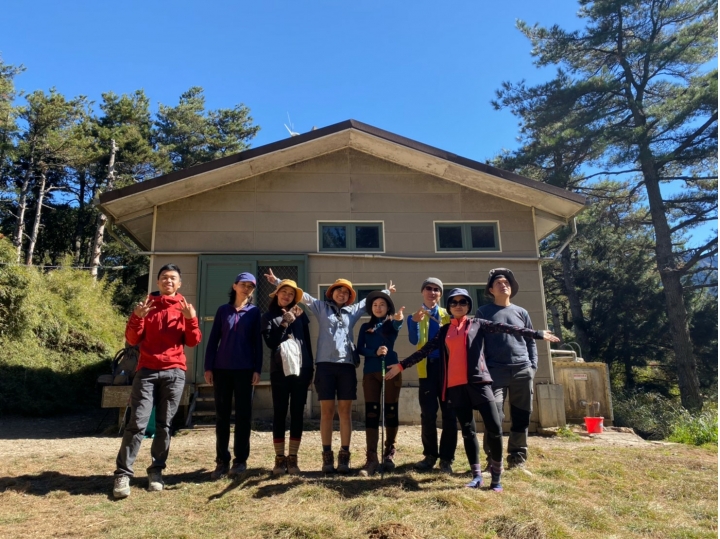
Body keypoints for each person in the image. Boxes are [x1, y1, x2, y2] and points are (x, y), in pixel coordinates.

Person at [387, 288, 559, 491]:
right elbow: (425, 350)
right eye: (454, 303)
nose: (458, 305)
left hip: (480, 383)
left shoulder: (479, 323)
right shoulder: (444, 330)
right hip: (456, 387)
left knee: (494, 428)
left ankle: (496, 475)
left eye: (463, 302)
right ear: (449, 307)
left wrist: (537, 334)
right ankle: (477, 475)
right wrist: (400, 366)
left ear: (468, 306)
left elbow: (507, 328)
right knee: (468, 432)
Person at [264, 268, 395, 473]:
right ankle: (327, 457)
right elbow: (303, 296)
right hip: (324, 366)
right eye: (338, 290)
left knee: (344, 411)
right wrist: (277, 281)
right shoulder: (321, 308)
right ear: (331, 292)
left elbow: (369, 301)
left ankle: (344, 456)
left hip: (346, 367)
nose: (341, 294)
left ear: (349, 296)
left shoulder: (353, 311)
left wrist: (386, 292)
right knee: (327, 411)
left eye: (346, 292)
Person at [113, 264, 202, 499]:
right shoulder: (147, 306)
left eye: (173, 278)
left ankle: (156, 471)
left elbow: (193, 341)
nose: (168, 281)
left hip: (174, 372)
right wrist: (137, 317)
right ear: (158, 282)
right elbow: (132, 339)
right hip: (147, 372)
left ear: (179, 283)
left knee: (164, 425)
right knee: (137, 423)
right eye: (164, 278)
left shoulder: (184, 308)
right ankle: (123, 474)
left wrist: (191, 319)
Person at [477, 268, 543, 471]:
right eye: (499, 283)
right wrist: (483, 371)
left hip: (522, 371)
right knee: (493, 416)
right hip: (495, 372)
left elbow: (531, 340)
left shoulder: (521, 312)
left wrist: (532, 366)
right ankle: (492, 461)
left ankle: (517, 459)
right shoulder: (484, 312)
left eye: (506, 282)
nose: (503, 284)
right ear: (491, 289)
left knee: (521, 416)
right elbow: (478, 344)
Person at [204, 272, 263, 480]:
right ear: (235, 285)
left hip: (245, 370)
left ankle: (240, 461)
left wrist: (257, 369)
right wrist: (208, 367)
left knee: (243, 417)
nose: (247, 288)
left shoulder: (255, 313)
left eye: (251, 286)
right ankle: (222, 460)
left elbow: (257, 343)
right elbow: (213, 341)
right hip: (221, 370)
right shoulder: (223, 311)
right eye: (243, 284)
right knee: (221, 416)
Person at [261, 279, 314, 476]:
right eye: (283, 292)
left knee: (297, 413)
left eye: (291, 294)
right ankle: (279, 459)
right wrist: (285, 322)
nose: (286, 296)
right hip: (279, 372)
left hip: (302, 370)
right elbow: (271, 342)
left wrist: (311, 368)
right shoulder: (268, 317)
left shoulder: (302, 315)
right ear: (276, 294)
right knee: (280, 413)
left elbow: (306, 342)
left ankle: (293, 459)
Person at [406, 278, 456, 473]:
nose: (432, 292)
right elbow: (413, 340)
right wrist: (415, 322)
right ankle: (429, 456)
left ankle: (446, 459)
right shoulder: (415, 316)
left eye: (436, 289)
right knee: (428, 414)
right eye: (428, 288)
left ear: (440, 294)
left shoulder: (447, 314)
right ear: (422, 291)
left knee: (449, 415)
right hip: (426, 370)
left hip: (448, 370)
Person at [356, 291, 405, 476]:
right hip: (370, 372)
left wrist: (399, 318)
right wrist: (373, 352)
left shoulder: (390, 324)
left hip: (390, 370)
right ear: (371, 308)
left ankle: (389, 452)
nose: (378, 307)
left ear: (388, 308)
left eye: (382, 305)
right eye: (375, 304)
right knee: (371, 412)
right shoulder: (364, 327)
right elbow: (360, 348)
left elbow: (398, 325)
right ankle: (371, 457)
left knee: (391, 411)